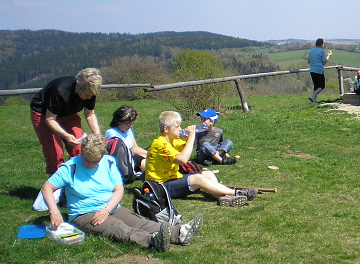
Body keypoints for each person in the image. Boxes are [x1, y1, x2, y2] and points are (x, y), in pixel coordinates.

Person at [41, 134, 203, 251]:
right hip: (84, 214)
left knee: (140, 222)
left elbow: (118, 189)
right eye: (87, 159)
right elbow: (47, 188)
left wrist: (106, 209)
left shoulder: (108, 162)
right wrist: (54, 211)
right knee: (118, 228)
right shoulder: (71, 167)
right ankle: (153, 241)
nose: (90, 163)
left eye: (95, 161)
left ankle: (179, 233)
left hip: (110, 207)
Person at [146, 111, 259, 207]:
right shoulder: (159, 143)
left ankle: (223, 197)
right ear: (166, 129)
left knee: (207, 174)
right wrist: (191, 137)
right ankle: (237, 193)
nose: (180, 129)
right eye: (177, 126)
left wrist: (187, 139)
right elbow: (182, 160)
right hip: (160, 187)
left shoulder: (173, 140)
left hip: (173, 179)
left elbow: (187, 149)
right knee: (197, 179)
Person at [30, 68, 103, 175]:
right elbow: (50, 119)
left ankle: (77, 179)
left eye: (91, 95)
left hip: (69, 113)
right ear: (78, 86)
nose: (89, 97)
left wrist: (97, 134)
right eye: (87, 95)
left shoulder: (91, 91)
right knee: (55, 152)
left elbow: (89, 113)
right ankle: (56, 186)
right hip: (44, 113)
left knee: (79, 148)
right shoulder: (61, 91)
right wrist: (65, 135)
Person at [105, 105, 148, 172]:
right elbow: (119, 154)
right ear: (119, 122)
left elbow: (135, 148)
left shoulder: (128, 131)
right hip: (124, 161)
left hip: (132, 154)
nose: (130, 126)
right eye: (128, 123)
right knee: (146, 162)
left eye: (131, 123)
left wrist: (149, 154)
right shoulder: (111, 133)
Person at [307, 38, 332, 102]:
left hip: (312, 70)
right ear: (321, 44)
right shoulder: (321, 51)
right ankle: (313, 95)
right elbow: (324, 62)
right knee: (322, 85)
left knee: (316, 85)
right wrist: (328, 56)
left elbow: (308, 61)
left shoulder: (311, 50)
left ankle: (313, 99)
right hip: (319, 70)